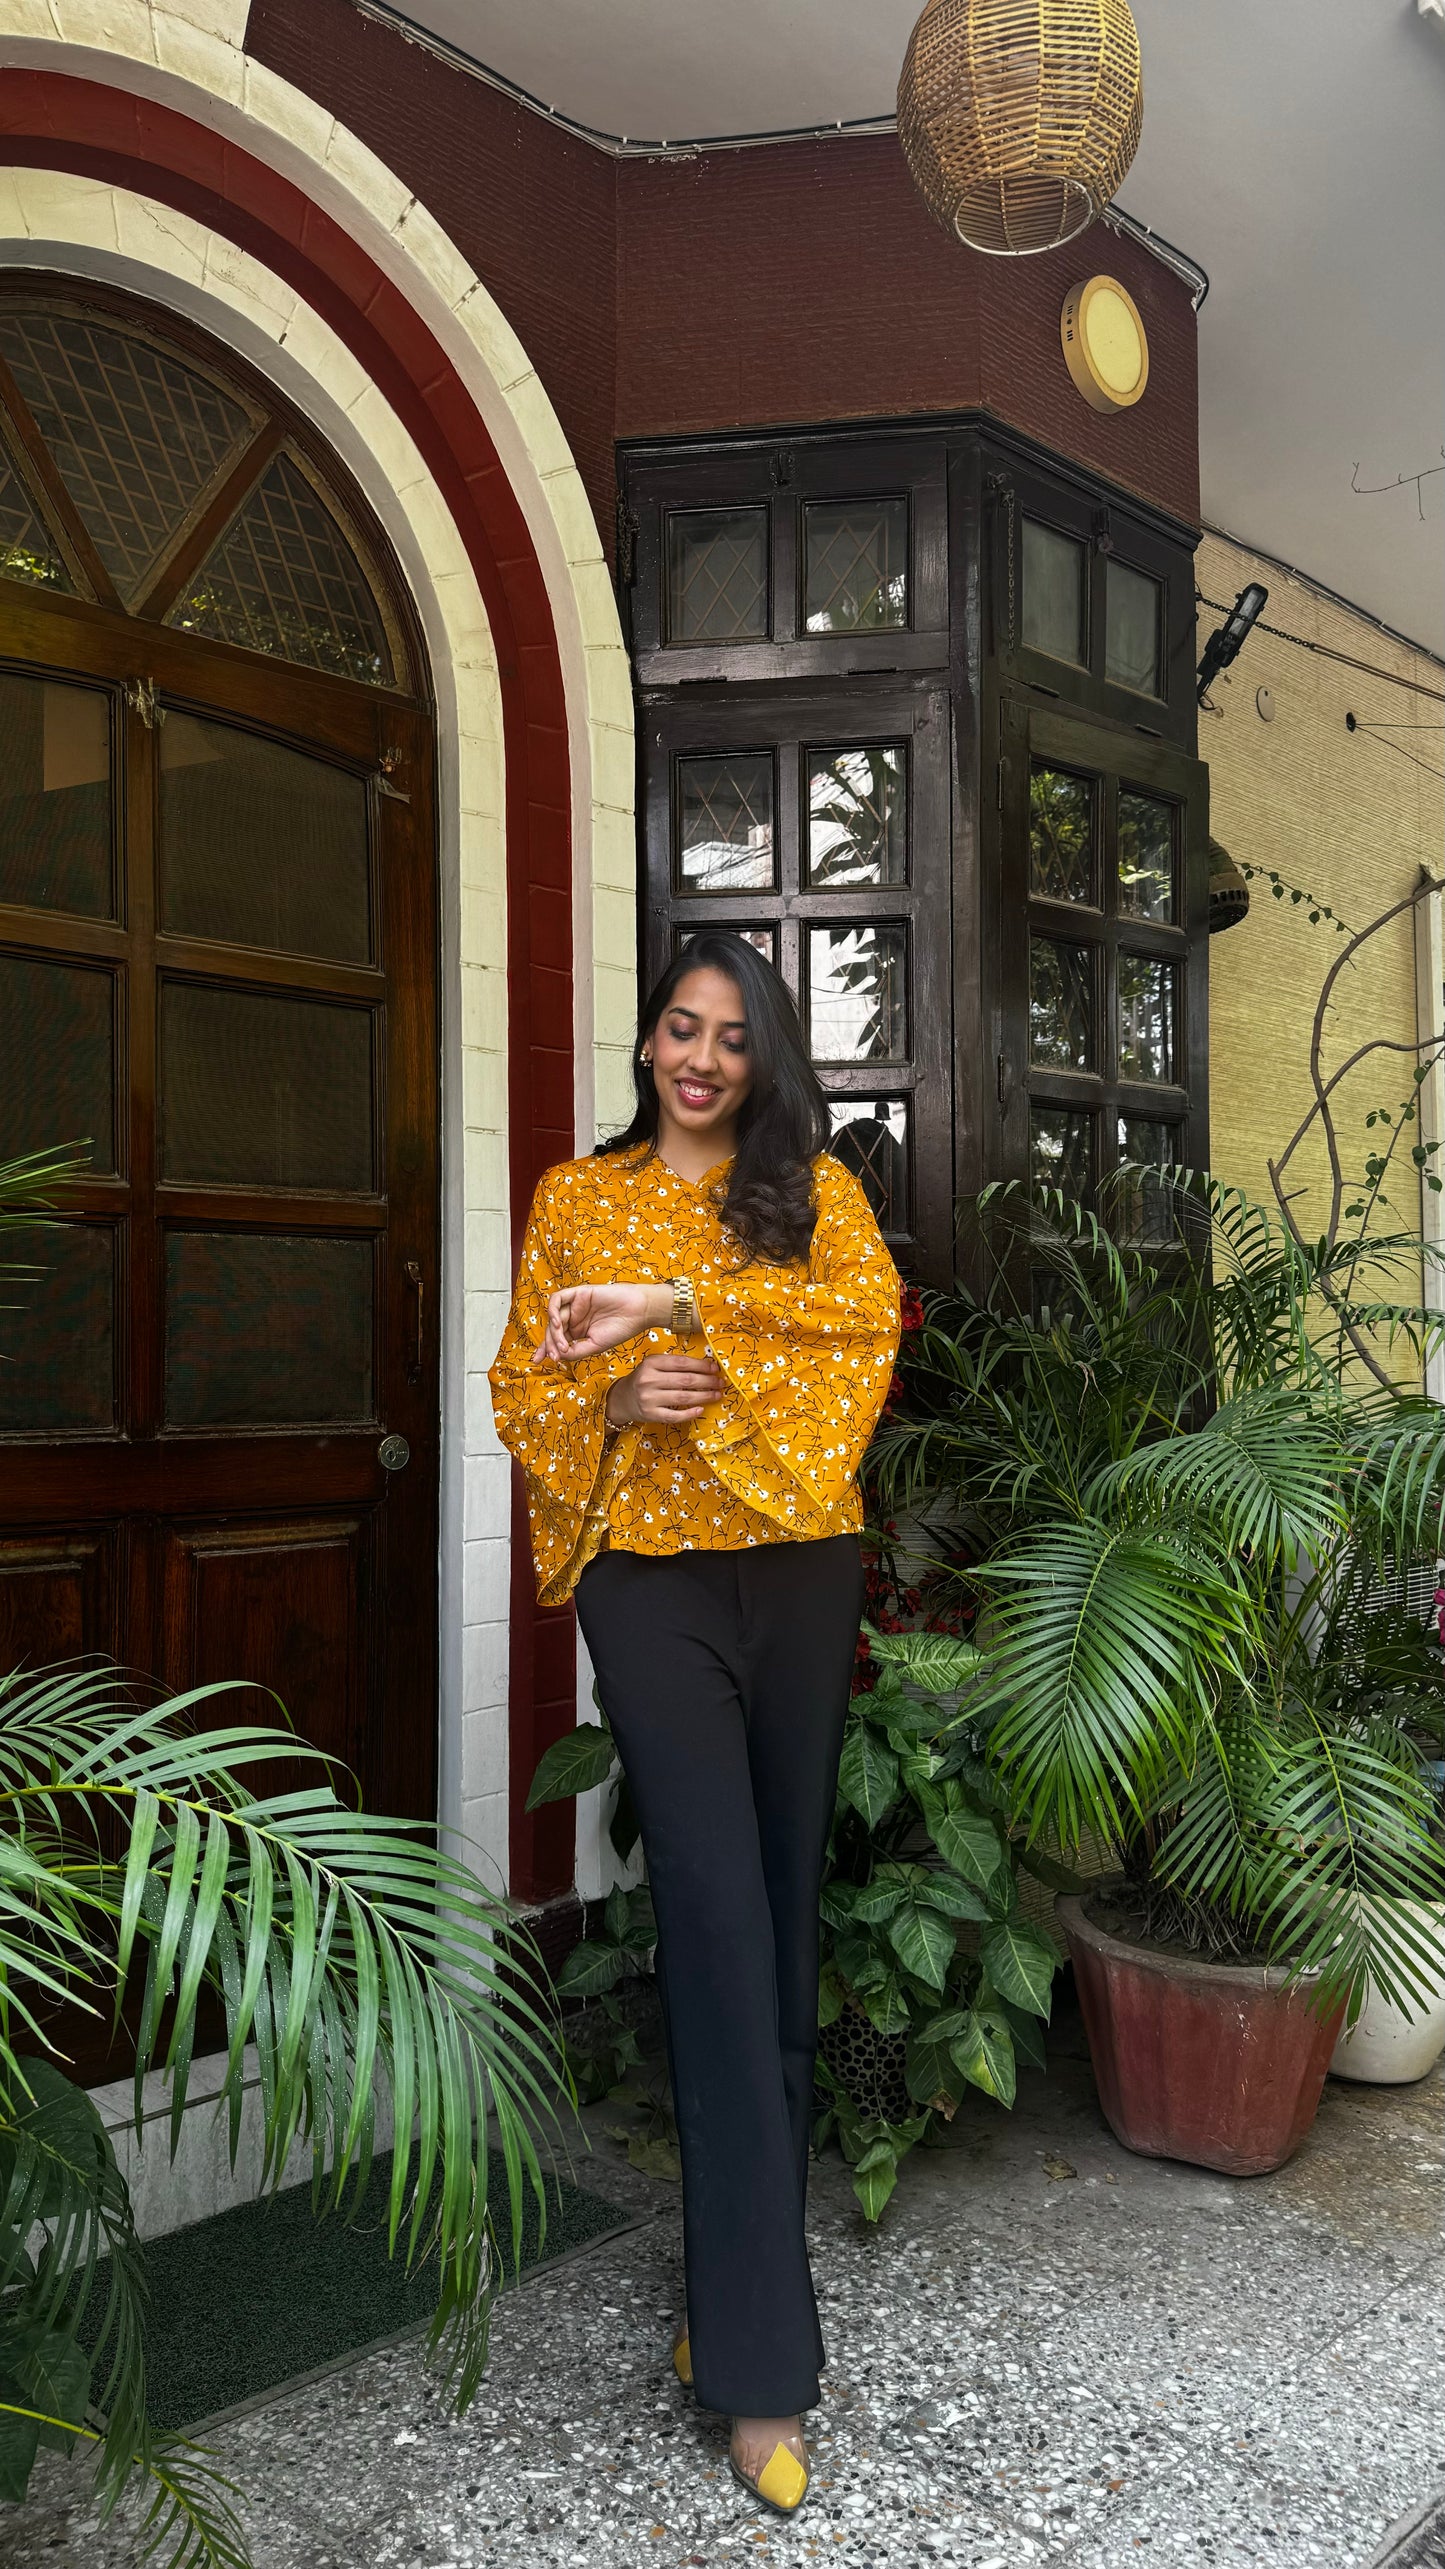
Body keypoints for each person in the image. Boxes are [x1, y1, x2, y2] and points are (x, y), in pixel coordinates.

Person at [489, 930, 900, 2518]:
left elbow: (860, 1331)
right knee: (720, 1921)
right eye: (680, 1026)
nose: (701, 1058)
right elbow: (528, 1390)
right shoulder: (572, 1198)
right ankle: (759, 2370)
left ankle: (725, 2297)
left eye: (732, 1035)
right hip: (651, 1583)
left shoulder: (812, 1198)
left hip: (797, 1571)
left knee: (778, 1926)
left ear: (764, 1054)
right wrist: (612, 1399)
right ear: (649, 1039)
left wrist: (681, 1314)